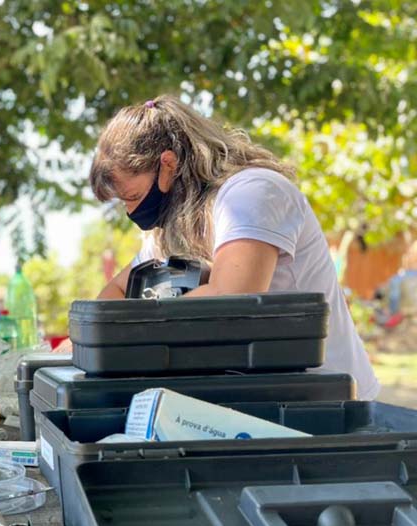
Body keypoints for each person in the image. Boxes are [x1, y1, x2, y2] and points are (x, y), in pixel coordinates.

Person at [85, 95, 379, 399]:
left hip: (328, 403)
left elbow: (229, 302)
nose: (131, 212)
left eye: (132, 197)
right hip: (264, 400)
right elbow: (117, 294)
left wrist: (128, 328)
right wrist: (83, 343)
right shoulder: (172, 226)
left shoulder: (252, 194)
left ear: (168, 165)